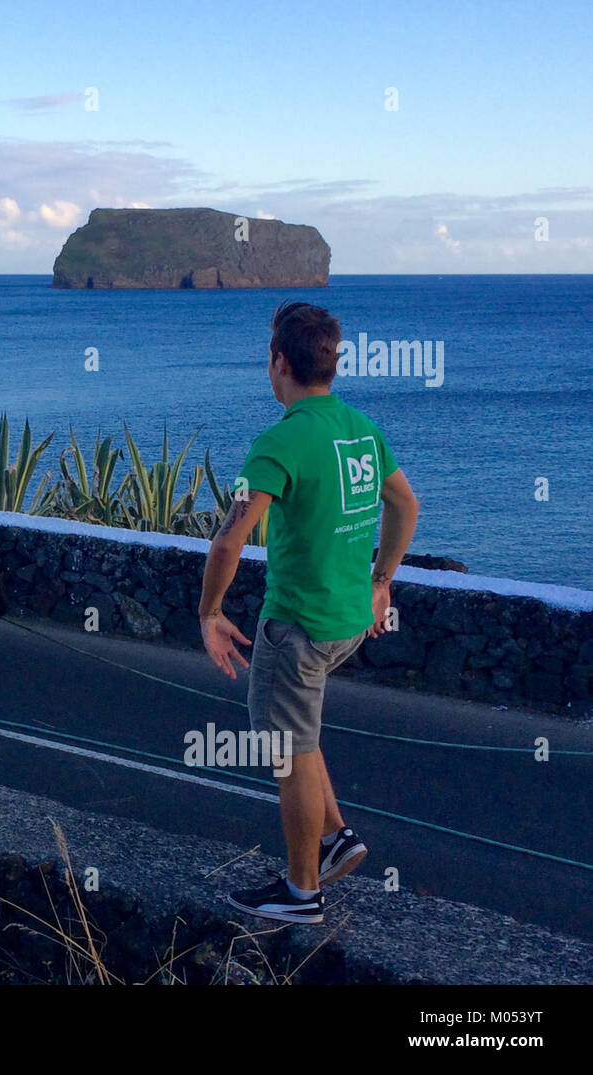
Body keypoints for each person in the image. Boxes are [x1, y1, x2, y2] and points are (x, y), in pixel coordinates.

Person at [197, 301, 419, 925]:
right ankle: (335, 837)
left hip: (297, 627)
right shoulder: (361, 429)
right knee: (302, 732)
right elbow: (406, 506)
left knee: (285, 751)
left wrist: (210, 612)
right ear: (331, 362)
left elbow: (228, 541)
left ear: (279, 363)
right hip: (348, 622)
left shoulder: (280, 441)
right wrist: (382, 582)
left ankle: (301, 893)